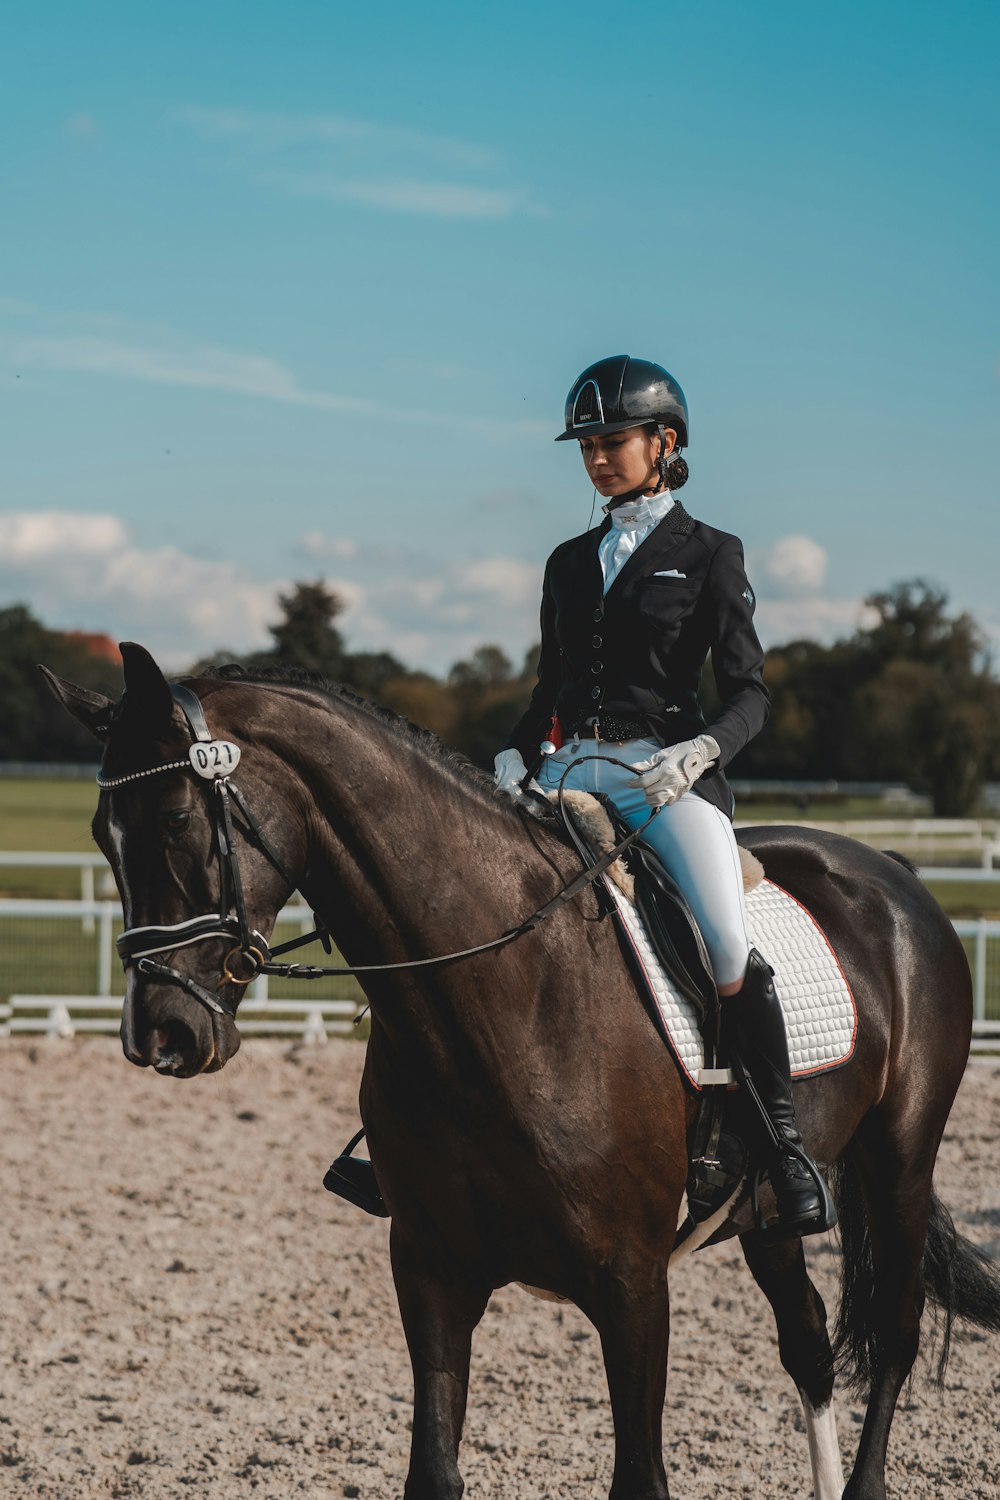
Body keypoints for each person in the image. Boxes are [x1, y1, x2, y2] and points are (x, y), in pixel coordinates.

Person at [494, 354, 832, 1240]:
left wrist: (699, 752)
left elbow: (752, 693)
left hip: (665, 778)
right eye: (587, 446)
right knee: (467, 896)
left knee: (725, 938)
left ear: (664, 443)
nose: (597, 458)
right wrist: (509, 753)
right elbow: (548, 693)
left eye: (613, 442)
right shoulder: (567, 562)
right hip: (570, 774)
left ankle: (781, 1142)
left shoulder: (711, 553)